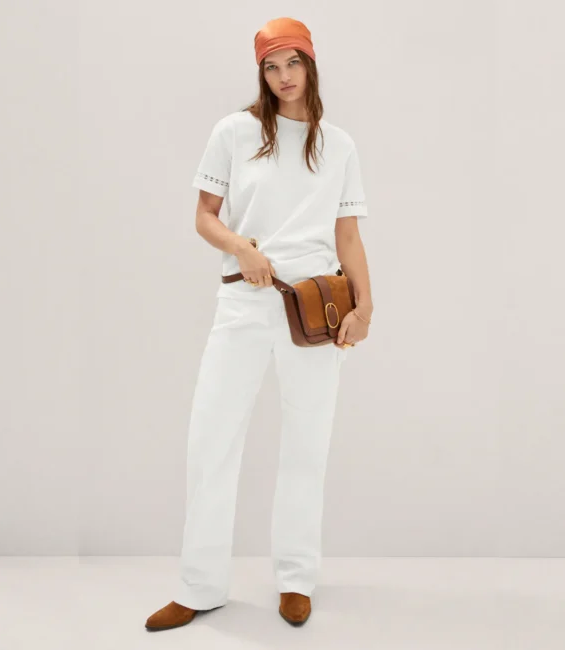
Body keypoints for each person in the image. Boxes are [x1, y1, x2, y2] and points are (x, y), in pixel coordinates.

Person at [145, 16, 373, 631]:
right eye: (271, 67)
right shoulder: (234, 132)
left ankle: (296, 579)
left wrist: (365, 307)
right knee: (211, 437)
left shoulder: (339, 146)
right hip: (244, 304)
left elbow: (348, 235)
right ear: (261, 73)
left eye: (292, 63)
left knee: (307, 445)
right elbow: (204, 215)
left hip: (315, 310)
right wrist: (241, 248)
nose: (283, 77)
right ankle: (200, 585)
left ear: (310, 64)